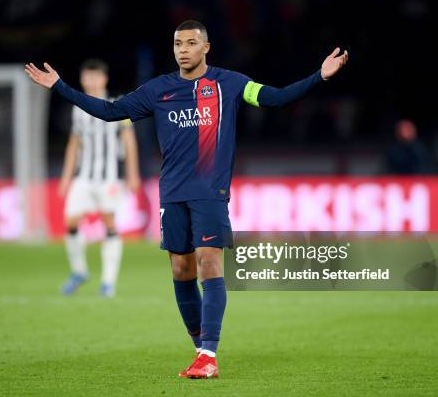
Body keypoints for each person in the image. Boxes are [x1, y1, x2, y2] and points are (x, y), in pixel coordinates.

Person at [25, 19, 347, 379]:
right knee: (181, 269)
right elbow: (110, 112)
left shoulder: (230, 83)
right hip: (172, 193)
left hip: (210, 191)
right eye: (178, 43)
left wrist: (319, 76)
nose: (183, 49)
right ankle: (200, 349)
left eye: (191, 43)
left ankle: (209, 354)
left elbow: (276, 97)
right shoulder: (158, 90)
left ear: (206, 47)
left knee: (209, 262)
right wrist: (60, 87)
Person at [58, 59, 141, 298]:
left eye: (95, 76)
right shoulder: (78, 109)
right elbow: (75, 143)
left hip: (109, 178)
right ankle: (79, 271)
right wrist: (66, 177)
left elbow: (128, 139)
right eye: (87, 77)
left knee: (110, 223)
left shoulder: (118, 104)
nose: (91, 81)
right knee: (71, 222)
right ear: (82, 79)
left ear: (104, 79)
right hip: (83, 176)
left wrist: (132, 173)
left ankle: (108, 282)